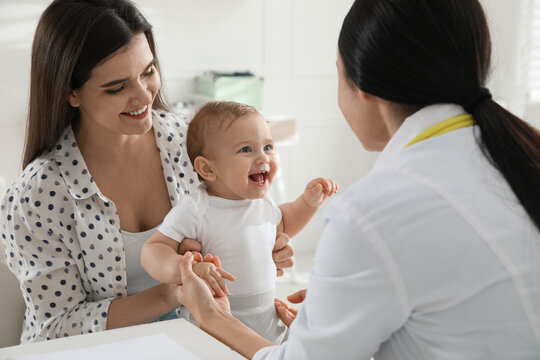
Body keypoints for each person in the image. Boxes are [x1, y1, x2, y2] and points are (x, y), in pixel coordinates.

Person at [174, 0, 540, 359]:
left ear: (361, 85)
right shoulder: (518, 155)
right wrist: (349, 303)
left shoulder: (371, 211)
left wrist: (213, 317)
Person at [0, 0, 294, 344]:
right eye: (116, 87)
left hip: (190, 340)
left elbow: (245, 211)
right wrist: (172, 292)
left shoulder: (192, 143)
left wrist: (261, 247)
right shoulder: (38, 194)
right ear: (71, 92)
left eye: (148, 72)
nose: (144, 95)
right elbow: (57, 326)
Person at [140, 100, 338, 344]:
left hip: (267, 318)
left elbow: (284, 223)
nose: (263, 157)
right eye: (246, 149)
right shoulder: (197, 208)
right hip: (214, 325)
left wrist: (308, 203)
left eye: (268, 146)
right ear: (208, 168)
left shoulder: (262, 203)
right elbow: (152, 251)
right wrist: (185, 269)